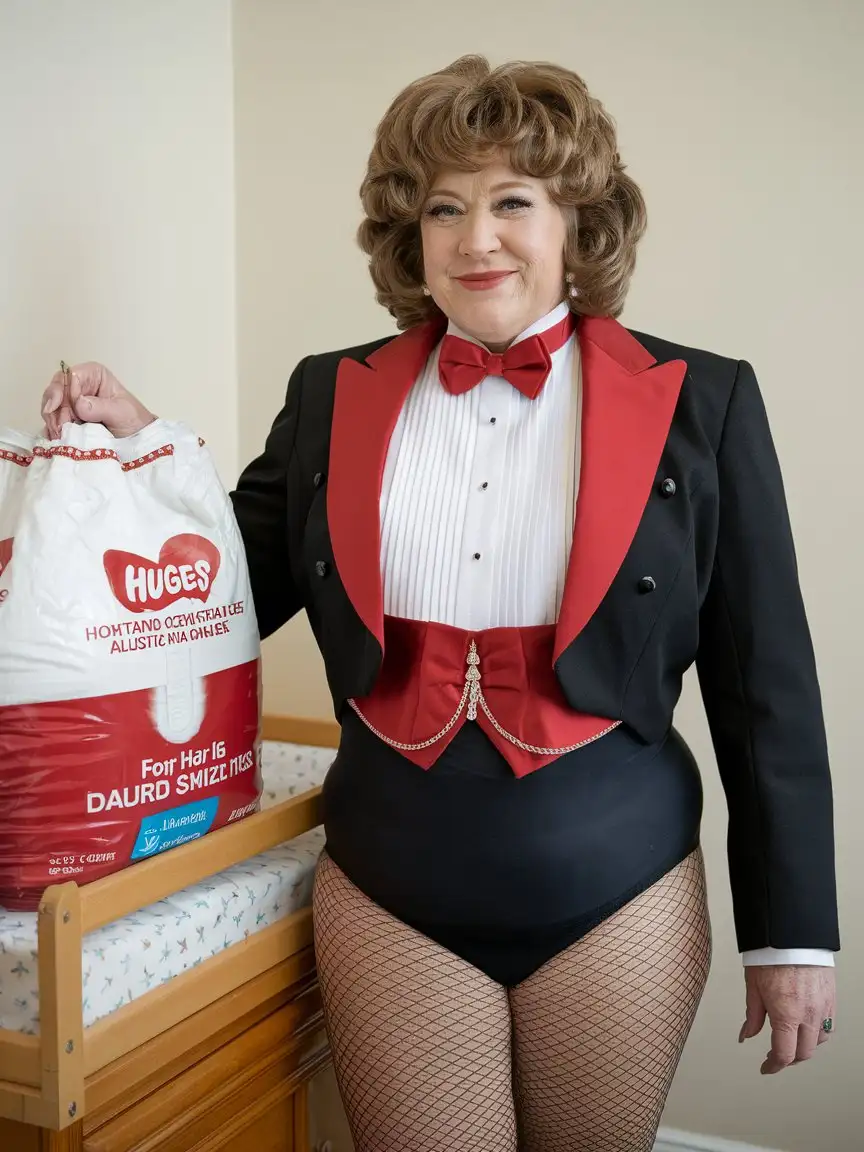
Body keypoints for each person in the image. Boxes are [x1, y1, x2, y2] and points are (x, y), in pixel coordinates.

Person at [42, 55, 838, 1152]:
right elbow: (226, 586)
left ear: (576, 222)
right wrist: (142, 447)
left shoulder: (704, 401)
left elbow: (769, 695)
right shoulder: (330, 393)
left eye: (513, 202)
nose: (476, 240)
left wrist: (793, 939)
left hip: (622, 891)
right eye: (444, 209)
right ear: (407, 237)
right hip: (391, 893)